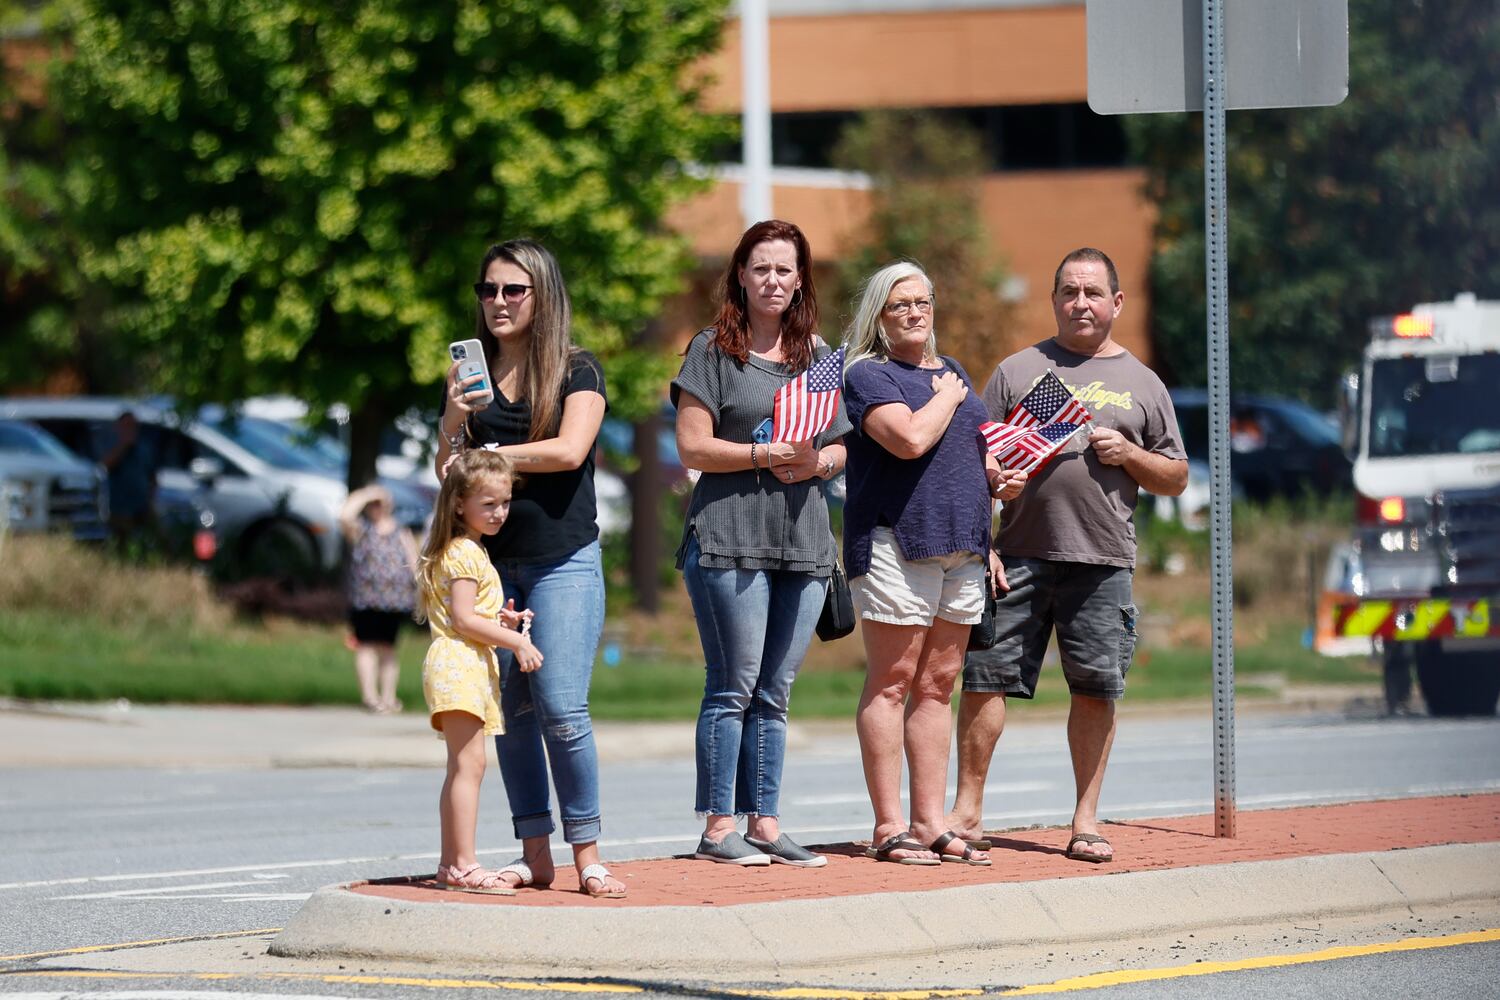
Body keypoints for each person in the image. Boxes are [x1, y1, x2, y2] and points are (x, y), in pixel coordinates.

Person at [947, 247, 1187, 864]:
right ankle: (967, 813)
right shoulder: (1018, 371)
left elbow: (1176, 476)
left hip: (1103, 560)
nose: (1081, 303)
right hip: (1017, 556)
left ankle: (1085, 821)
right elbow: (973, 461)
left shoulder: (1144, 382)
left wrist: (1130, 455)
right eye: (1069, 292)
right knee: (986, 679)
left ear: (1117, 302)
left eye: (1093, 292)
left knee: (1096, 688)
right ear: (1054, 300)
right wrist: (986, 521)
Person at [435, 238, 625, 898]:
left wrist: (487, 454)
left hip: (562, 561)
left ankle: (588, 854)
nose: (499, 301)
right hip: (492, 567)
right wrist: (453, 419)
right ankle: (535, 854)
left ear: (542, 297)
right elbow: (449, 472)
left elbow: (571, 450)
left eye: (513, 289)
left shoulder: (578, 369)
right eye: (488, 289)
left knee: (562, 708)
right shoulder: (471, 375)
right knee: (511, 715)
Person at [672, 219, 849, 867]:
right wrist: (765, 454)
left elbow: (841, 445)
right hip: (728, 538)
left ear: (801, 280)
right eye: (761, 268)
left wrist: (819, 463)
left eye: (784, 269)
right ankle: (718, 828)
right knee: (733, 685)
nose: (773, 279)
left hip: (803, 542)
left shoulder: (817, 354)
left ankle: (766, 825)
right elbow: (692, 446)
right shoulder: (712, 349)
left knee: (775, 689)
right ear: (741, 277)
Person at [841, 262, 1026, 866]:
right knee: (892, 682)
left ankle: (930, 823)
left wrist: (999, 480)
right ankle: (888, 825)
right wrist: (947, 395)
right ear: (879, 316)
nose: (915, 313)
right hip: (897, 542)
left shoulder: (954, 371)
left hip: (964, 546)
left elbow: (975, 452)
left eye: (923, 301)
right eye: (900, 304)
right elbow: (910, 439)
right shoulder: (867, 374)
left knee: (938, 686)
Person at [414, 449, 543, 894]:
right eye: (488, 504)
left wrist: (501, 621)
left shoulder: (464, 550)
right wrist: (518, 641)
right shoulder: (465, 552)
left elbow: (468, 615)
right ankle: (465, 864)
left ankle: (451, 864)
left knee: (461, 767)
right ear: (458, 504)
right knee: (470, 767)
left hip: (460, 663)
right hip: (460, 666)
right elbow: (465, 621)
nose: (499, 513)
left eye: (504, 502)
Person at [338, 484, 418, 714]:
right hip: (366, 599)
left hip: (395, 600)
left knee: (388, 648)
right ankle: (370, 696)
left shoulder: (401, 531)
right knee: (366, 646)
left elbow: (414, 562)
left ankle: (389, 697)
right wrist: (364, 495)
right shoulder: (361, 530)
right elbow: (344, 517)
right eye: (372, 504)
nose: (376, 507)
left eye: (379, 503)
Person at [101, 411, 159, 550]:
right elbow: (103, 467)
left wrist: (150, 499)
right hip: (118, 509)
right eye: (126, 426)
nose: (130, 430)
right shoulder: (110, 445)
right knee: (121, 542)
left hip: (141, 506)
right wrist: (124, 446)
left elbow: (152, 477)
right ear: (118, 427)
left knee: (155, 538)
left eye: (133, 426)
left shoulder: (144, 448)